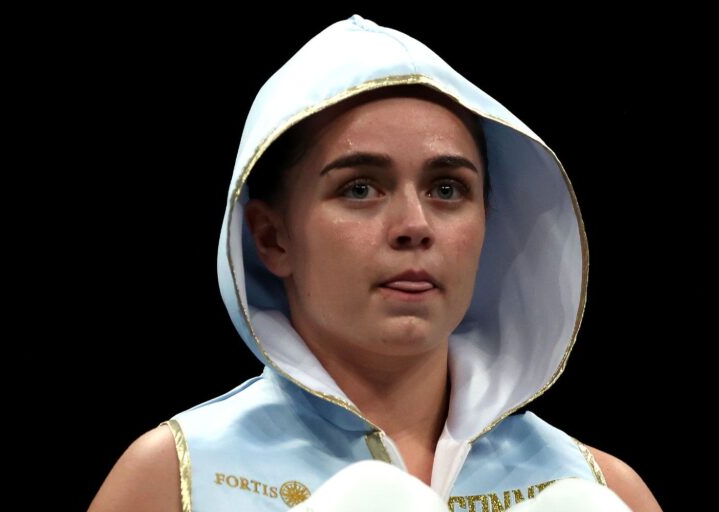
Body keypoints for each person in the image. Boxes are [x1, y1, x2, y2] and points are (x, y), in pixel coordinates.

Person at [88, 14, 662, 512]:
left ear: (488, 222)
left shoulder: (604, 490)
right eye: (360, 188)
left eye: (447, 189)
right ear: (272, 237)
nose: (414, 224)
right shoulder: (175, 478)